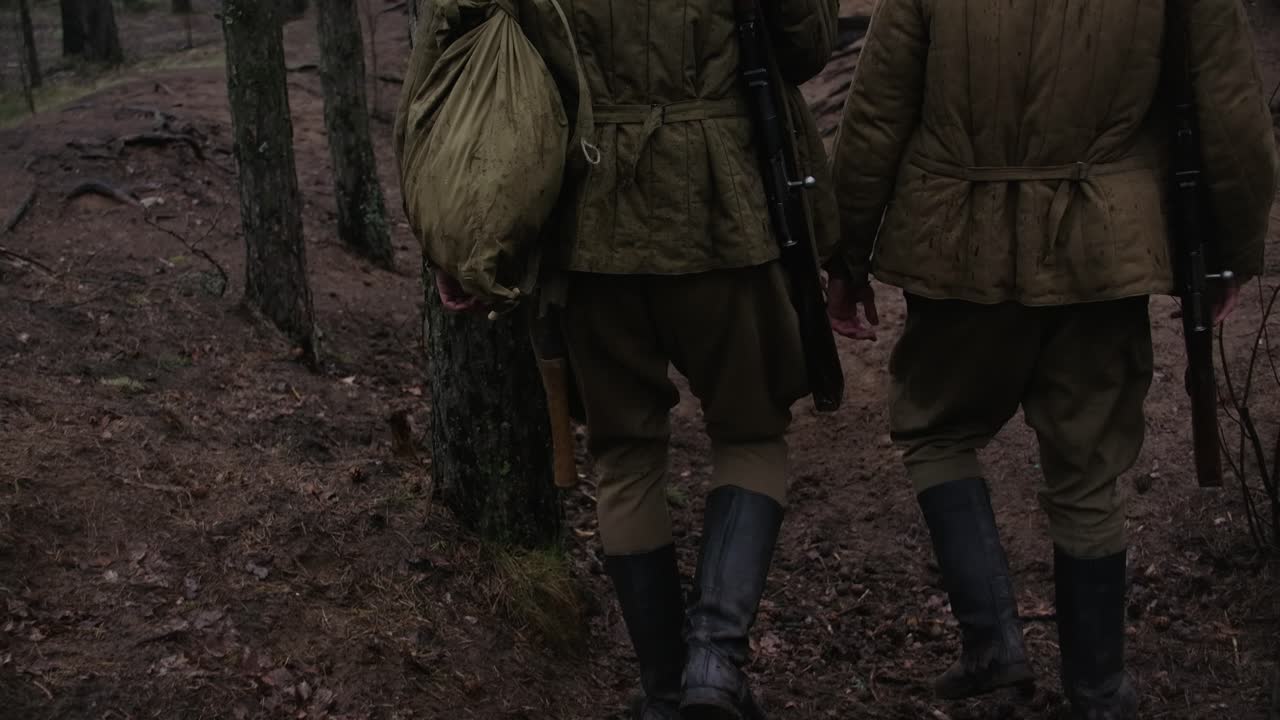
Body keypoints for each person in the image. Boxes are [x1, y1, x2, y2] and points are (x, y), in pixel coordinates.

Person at [826, 1, 1277, 718]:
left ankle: (991, 642)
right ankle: (1098, 689)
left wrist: (847, 254)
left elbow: (877, 112)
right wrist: (1232, 250)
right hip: (1101, 251)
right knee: (1088, 468)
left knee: (938, 430)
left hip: (956, 240)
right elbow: (1231, 110)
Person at [407, 1, 840, 718]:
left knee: (625, 457)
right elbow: (806, 45)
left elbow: (451, 57)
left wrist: (453, 236)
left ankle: (666, 692)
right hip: (724, 216)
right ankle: (714, 663)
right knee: (752, 434)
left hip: (589, 224)